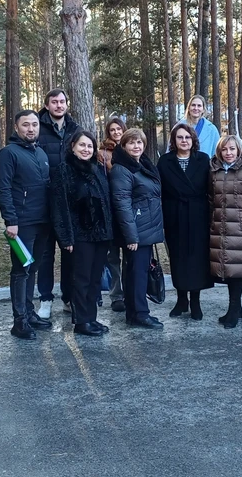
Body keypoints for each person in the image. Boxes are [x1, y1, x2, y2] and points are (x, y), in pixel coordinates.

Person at [0, 110, 54, 340]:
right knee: (21, 271)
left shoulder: (40, 153)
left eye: (35, 124)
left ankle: (30, 313)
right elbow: (4, 189)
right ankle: (19, 321)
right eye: (26, 125)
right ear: (17, 127)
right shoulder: (8, 154)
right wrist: (11, 220)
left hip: (43, 222)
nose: (31, 129)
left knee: (33, 268)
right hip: (22, 224)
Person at [49, 131, 113, 336]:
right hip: (79, 234)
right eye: (82, 145)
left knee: (95, 279)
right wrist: (66, 237)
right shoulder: (63, 171)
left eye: (90, 146)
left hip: (100, 235)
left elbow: (105, 202)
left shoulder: (96, 170)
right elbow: (59, 207)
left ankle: (91, 317)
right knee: (81, 278)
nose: (86, 150)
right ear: (73, 146)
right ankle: (81, 321)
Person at [110, 128, 165, 329]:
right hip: (136, 230)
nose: (136, 146)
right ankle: (140, 313)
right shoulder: (122, 170)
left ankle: (134, 312)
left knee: (135, 271)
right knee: (137, 273)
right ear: (123, 146)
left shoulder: (141, 165)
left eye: (140, 142)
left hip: (145, 227)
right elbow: (122, 204)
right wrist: (131, 236)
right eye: (132, 143)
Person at [157, 123, 213, 320]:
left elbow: (211, 189)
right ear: (174, 140)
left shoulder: (204, 160)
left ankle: (196, 302)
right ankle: (181, 300)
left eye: (187, 137)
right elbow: (160, 192)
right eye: (180, 137)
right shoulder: (164, 162)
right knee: (178, 258)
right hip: (174, 215)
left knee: (196, 259)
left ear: (193, 140)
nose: (184, 141)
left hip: (198, 214)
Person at [208, 134, 242, 329]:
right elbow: (210, 198)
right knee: (227, 270)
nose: (228, 153)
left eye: (232, 149)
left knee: (237, 270)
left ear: (239, 150)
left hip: (240, 228)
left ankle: (234, 309)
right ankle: (234, 308)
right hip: (220, 228)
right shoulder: (214, 171)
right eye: (225, 149)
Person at [36, 89, 81, 318]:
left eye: (62, 101)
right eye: (54, 102)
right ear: (47, 105)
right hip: (44, 201)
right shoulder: (37, 127)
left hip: (70, 202)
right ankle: (45, 298)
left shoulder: (75, 129)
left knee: (70, 252)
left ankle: (68, 297)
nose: (59, 105)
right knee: (45, 254)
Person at [96, 117, 127, 313]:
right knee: (112, 257)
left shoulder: (132, 148)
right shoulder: (102, 154)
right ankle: (116, 295)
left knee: (132, 257)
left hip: (129, 211)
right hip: (109, 209)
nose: (116, 132)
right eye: (112, 130)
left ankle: (133, 292)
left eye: (119, 129)